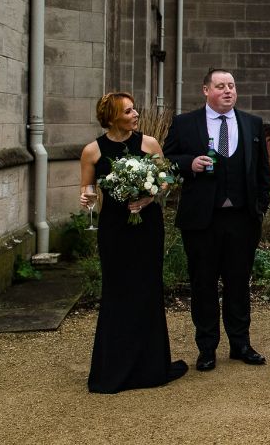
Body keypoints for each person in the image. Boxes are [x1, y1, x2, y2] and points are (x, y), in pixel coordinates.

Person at [164, 68, 270, 372]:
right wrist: (189, 163)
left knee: (239, 283)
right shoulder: (186, 124)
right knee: (203, 284)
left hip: (242, 219)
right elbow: (166, 160)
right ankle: (207, 347)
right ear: (205, 90)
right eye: (221, 86)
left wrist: (260, 206)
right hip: (202, 221)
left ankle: (241, 344)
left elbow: (263, 171)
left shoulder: (252, 123)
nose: (228, 91)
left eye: (232, 86)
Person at [81, 92, 188, 393]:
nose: (135, 114)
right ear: (112, 117)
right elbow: (87, 188)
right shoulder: (92, 151)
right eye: (128, 111)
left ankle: (150, 366)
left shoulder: (149, 143)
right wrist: (86, 197)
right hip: (115, 229)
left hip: (147, 227)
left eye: (134, 109)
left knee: (147, 290)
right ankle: (114, 367)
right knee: (117, 292)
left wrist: (150, 195)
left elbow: (166, 180)